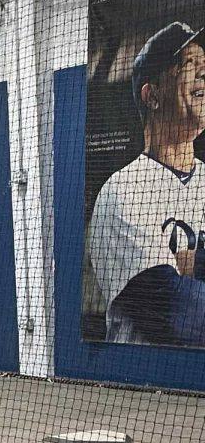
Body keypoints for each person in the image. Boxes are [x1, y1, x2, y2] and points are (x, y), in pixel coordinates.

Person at [88, 22, 205, 347]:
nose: (203, 73)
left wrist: (191, 263)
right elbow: (180, 314)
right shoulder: (122, 191)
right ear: (152, 96)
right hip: (140, 386)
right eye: (188, 64)